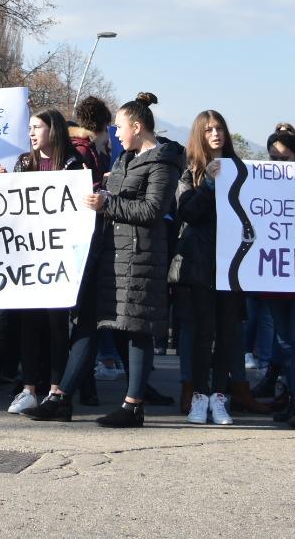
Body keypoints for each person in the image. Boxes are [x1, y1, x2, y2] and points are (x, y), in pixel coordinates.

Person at [26, 98, 180, 427]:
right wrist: (98, 188)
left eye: (121, 127)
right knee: (89, 324)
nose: (117, 134)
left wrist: (107, 202)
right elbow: (114, 197)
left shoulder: (163, 162)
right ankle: (61, 398)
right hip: (109, 255)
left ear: (137, 127)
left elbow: (152, 210)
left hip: (139, 258)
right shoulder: (125, 158)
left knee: (136, 328)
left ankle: (133, 406)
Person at [7, 109, 94, 415]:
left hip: (59, 257)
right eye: (29, 128)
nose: (31, 133)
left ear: (52, 130)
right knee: (28, 322)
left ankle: (57, 388)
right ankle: (29, 387)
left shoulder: (73, 164)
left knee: (58, 324)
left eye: (37, 128)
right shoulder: (23, 163)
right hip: (28, 255)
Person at [174, 111, 243, 425]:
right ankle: (199, 396)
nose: (216, 134)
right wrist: (209, 186)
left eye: (220, 129)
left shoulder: (241, 168)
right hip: (202, 265)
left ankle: (219, 396)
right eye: (209, 129)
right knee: (204, 333)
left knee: (228, 334)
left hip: (235, 264)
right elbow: (185, 211)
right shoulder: (191, 171)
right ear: (200, 135)